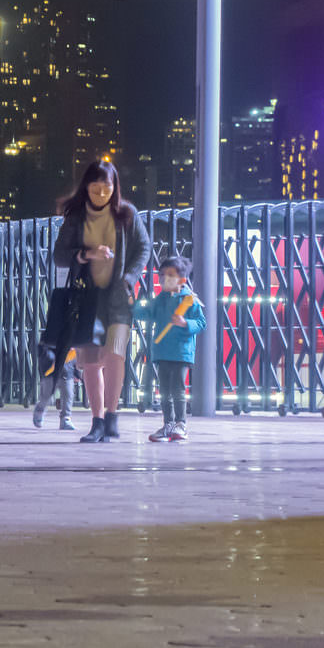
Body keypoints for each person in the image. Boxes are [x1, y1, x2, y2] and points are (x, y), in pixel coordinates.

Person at [53, 160, 151, 443]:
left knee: (115, 356)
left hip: (118, 299)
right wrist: (86, 254)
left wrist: (130, 277)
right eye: (95, 189)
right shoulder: (76, 217)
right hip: (87, 299)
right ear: (86, 187)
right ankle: (96, 421)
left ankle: (112, 416)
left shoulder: (127, 214)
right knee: (91, 362)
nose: (100, 195)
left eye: (106, 188)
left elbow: (143, 248)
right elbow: (59, 255)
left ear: (114, 187)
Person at [135, 256, 205, 442]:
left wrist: (185, 323)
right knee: (165, 390)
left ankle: (181, 424)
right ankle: (168, 424)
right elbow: (147, 312)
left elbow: (201, 323)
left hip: (181, 352)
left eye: (170, 275)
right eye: (162, 275)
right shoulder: (161, 299)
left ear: (182, 279)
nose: (164, 278)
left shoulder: (190, 300)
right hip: (162, 351)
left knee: (178, 389)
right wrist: (132, 306)